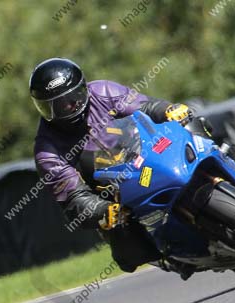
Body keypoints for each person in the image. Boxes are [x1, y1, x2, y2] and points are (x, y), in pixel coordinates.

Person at [30, 57, 195, 274]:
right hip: (116, 194)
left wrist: (168, 110)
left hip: (150, 154)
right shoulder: (47, 151)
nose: (68, 108)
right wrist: (104, 211)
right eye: (54, 106)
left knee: (194, 127)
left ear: (83, 89)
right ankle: (170, 255)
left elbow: (145, 106)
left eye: (73, 98)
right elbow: (74, 199)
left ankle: (228, 176)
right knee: (128, 251)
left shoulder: (103, 91)